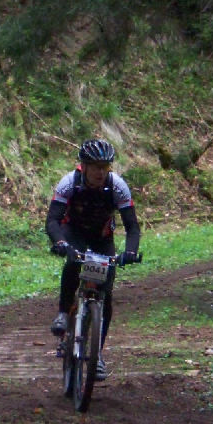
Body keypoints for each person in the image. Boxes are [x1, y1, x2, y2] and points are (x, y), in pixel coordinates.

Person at [45, 138, 141, 380]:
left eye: (105, 166)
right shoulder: (69, 183)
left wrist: (130, 251)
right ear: (84, 166)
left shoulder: (117, 186)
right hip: (73, 232)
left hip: (101, 237)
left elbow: (132, 226)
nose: (101, 172)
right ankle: (63, 313)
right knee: (73, 261)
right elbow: (52, 220)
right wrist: (60, 243)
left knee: (105, 296)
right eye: (96, 166)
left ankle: (96, 356)